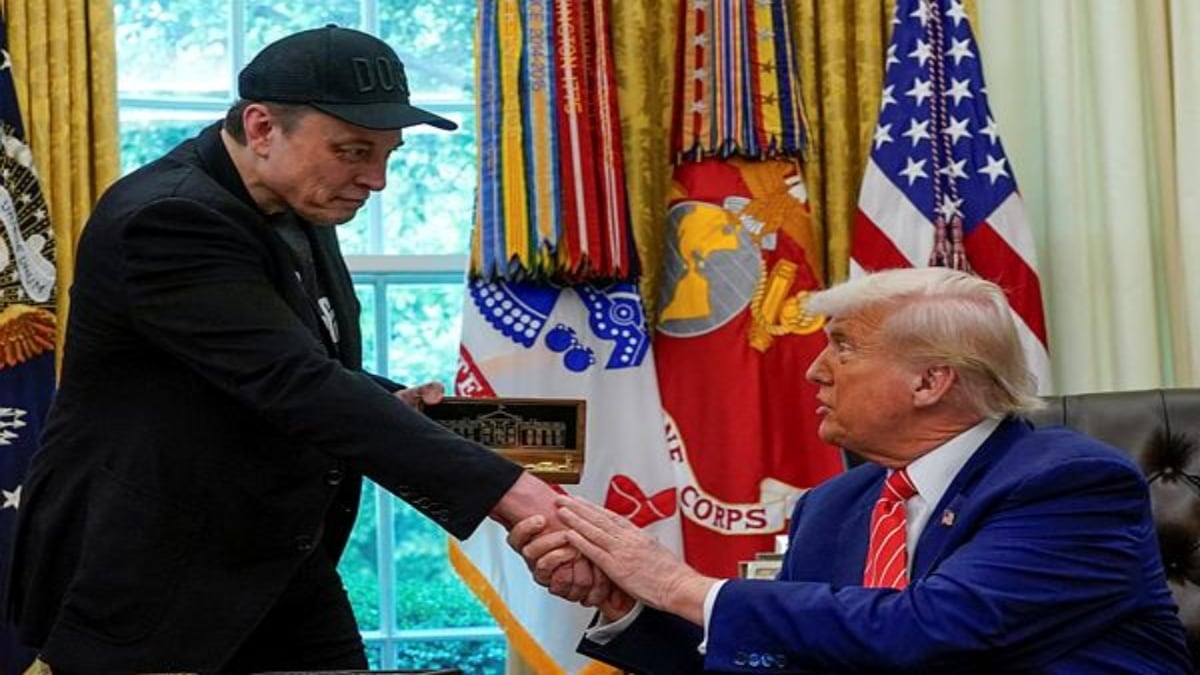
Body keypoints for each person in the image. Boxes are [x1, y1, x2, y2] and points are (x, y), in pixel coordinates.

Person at [1, 26, 603, 673]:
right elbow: (295, 383)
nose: (376, 179)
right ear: (262, 128)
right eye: (353, 151)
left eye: (387, 154)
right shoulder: (168, 217)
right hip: (149, 572)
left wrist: (393, 404)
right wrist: (517, 494)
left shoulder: (293, 199)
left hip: (273, 556)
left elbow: (293, 361)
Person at [514, 266, 1192, 673]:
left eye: (842, 347)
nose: (815, 370)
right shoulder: (835, 505)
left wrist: (678, 582)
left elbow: (932, 631)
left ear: (930, 381)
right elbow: (783, 657)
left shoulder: (1070, 483)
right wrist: (631, 601)